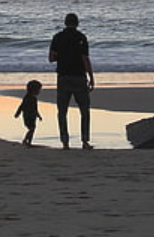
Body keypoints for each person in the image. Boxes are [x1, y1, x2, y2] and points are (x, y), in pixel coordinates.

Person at [49, 13, 95, 150]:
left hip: (63, 77)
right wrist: (91, 77)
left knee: (62, 111)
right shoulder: (81, 37)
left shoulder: (57, 37)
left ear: (65, 23)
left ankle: (65, 142)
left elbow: (51, 58)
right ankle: (85, 141)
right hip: (79, 77)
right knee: (84, 111)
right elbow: (85, 59)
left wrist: (63, 56)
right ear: (77, 23)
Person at [14, 80, 43, 147]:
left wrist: (38, 116)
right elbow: (22, 106)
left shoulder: (30, 98)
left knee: (32, 129)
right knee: (32, 129)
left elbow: (35, 109)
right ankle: (26, 140)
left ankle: (28, 141)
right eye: (38, 90)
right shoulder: (29, 98)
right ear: (34, 90)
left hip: (32, 115)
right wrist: (17, 113)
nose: (39, 92)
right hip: (29, 116)